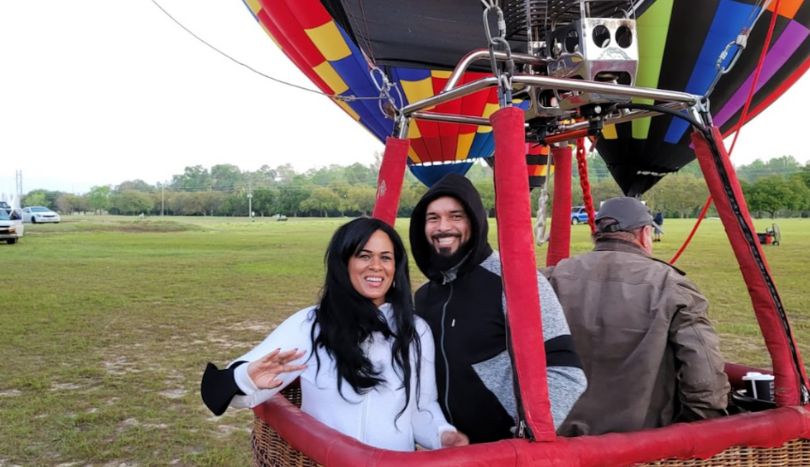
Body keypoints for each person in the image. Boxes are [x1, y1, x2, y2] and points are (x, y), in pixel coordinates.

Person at [200, 217, 468, 451]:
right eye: (364, 255)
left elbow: (422, 408)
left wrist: (442, 435)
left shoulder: (415, 331)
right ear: (344, 263)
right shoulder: (310, 324)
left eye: (385, 257)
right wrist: (247, 379)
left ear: (396, 268)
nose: (376, 265)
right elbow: (227, 393)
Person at [408, 173, 587, 443]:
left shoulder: (514, 281)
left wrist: (526, 433)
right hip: (446, 450)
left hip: (505, 452)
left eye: (456, 216)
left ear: (475, 220)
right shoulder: (424, 297)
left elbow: (567, 371)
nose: (443, 226)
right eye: (433, 218)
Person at [544, 197, 730, 436]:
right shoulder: (671, 285)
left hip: (558, 439)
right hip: (643, 444)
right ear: (644, 234)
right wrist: (693, 431)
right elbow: (704, 377)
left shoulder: (553, 277)